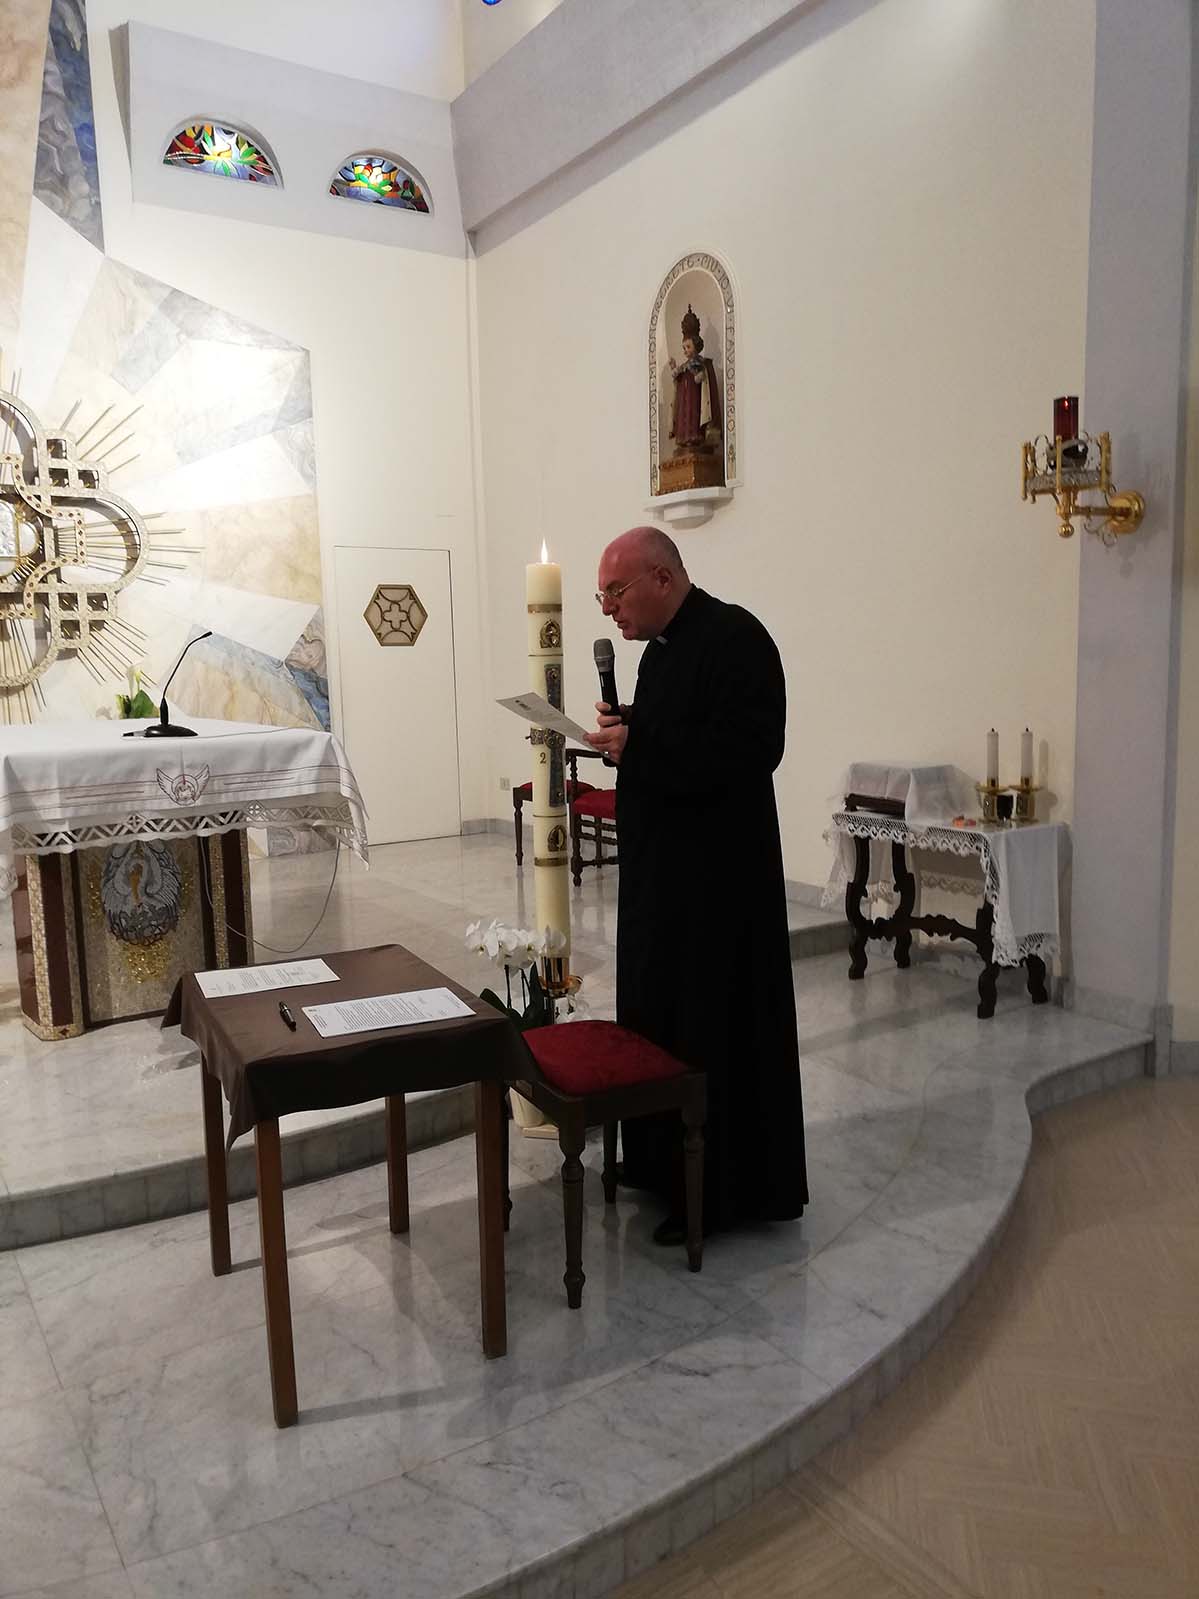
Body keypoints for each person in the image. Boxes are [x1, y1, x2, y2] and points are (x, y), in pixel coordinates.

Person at [588, 527, 807, 1244]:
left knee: (708, 1030)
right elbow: (675, 735)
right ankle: (660, 1164)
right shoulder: (659, 654)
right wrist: (632, 728)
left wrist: (643, 743)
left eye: (615, 593)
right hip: (663, 886)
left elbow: (752, 748)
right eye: (601, 597)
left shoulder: (737, 637)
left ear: (662, 577)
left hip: (718, 893)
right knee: (658, 1022)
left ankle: (714, 1194)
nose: (608, 610)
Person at [669, 305, 721, 454]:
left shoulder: (701, 363)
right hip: (685, 400)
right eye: (684, 348)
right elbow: (678, 378)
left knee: (693, 414)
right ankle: (683, 438)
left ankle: (695, 436)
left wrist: (698, 375)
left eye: (688, 347)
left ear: (696, 346)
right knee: (684, 414)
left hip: (695, 399)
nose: (685, 351)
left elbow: (702, 380)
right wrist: (674, 369)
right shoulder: (685, 365)